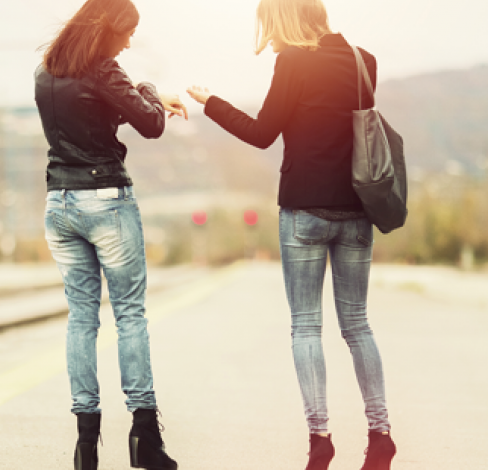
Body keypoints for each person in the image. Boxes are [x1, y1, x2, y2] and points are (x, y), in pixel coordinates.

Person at [186, 0, 396, 469]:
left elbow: (262, 133)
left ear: (283, 21)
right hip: (357, 211)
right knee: (357, 325)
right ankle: (381, 434)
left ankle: (319, 439)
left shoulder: (292, 63)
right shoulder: (365, 61)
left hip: (303, 210)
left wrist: (210, 102)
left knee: (306, 326)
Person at [34, 0, 186, 469]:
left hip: (59, 203)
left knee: (82, 319)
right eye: (128, 32)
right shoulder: (104, 70)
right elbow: (152, 124)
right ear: (108, 29)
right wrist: (151, 91)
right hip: (105, 201)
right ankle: (144, 437)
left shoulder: (47, 72)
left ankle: (86, 445)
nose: (129, 41)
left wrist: (136, 96)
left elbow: (93, 119)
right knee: (129, 316)